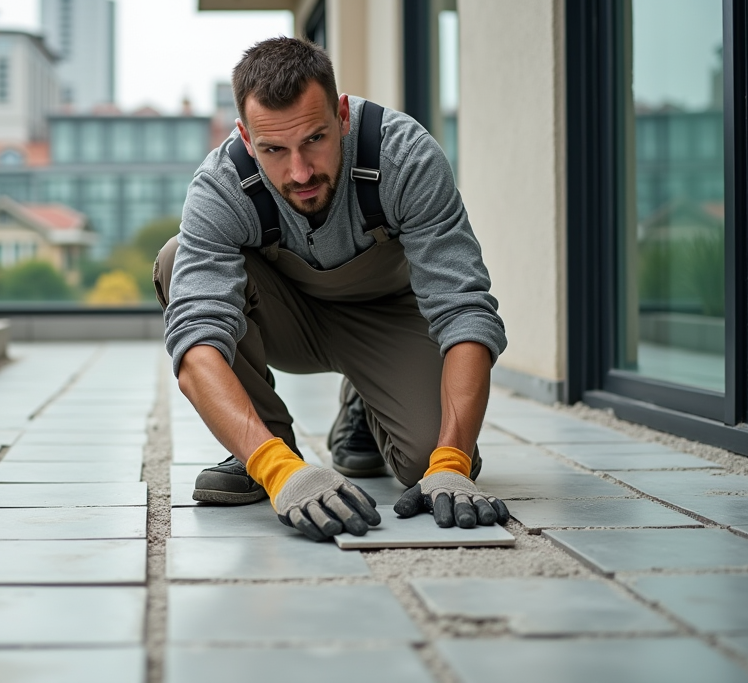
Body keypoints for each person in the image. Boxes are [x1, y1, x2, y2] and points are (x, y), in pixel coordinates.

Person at [154, 37, 509, 542]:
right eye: (274, 149)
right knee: (175, 259)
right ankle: (263, 444)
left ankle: (367, 403)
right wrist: (278, 470)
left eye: (315, 140)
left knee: (427, 465)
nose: (299, 172)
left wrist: (451, 460)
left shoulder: (405, 158)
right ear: (247, 138)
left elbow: (464, 310)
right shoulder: (221, 186)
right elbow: (196, 343)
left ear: (342, 115)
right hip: (288, 320)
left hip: (391, 319)